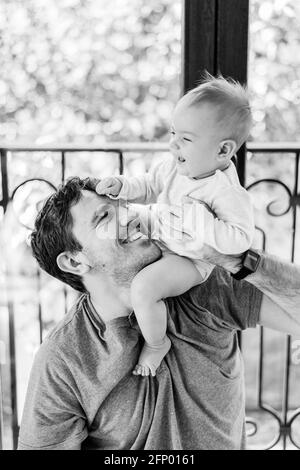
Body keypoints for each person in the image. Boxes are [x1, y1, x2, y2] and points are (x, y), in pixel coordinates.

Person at [18, 177, 300, 450]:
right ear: (74, 261)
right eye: (105, 217)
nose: (130, 218)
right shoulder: (63, 358)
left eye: (124, 207)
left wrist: (237, 260)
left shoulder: (206, 283)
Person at [96, 75, 254, 377]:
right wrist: (123, 186)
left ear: (222, 151)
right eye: (173, 133)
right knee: (112, 235)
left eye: (186, 139)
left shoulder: (225, 192)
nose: (173, 144)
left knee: (143, 289)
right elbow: (148, 185)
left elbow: (240, 240)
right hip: (160, 230)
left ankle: (157, 343)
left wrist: (202, 221)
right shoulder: (174, 167)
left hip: (188, 259)